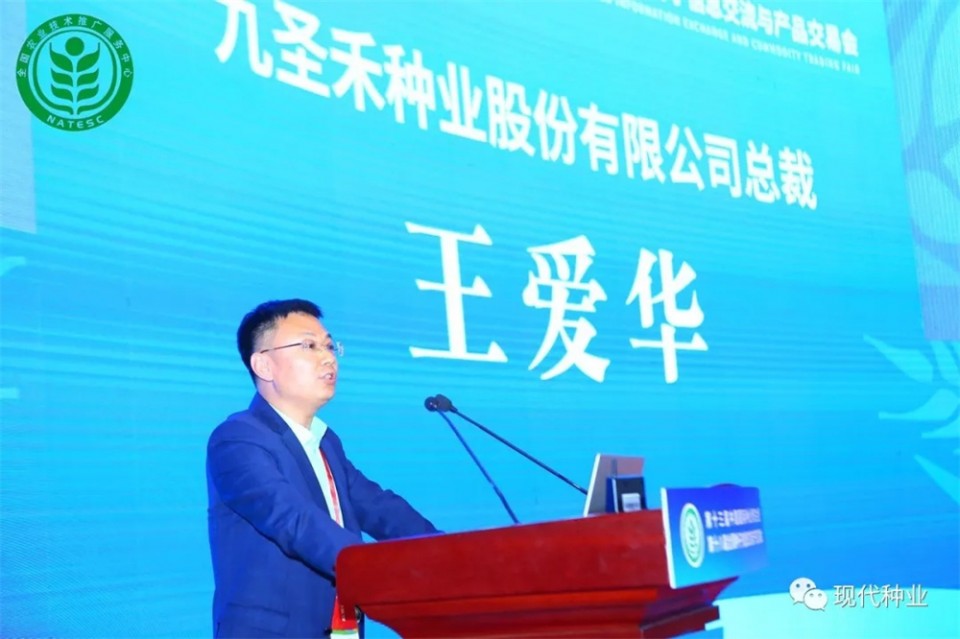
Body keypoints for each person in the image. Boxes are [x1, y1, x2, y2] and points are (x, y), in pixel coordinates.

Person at [206, 299, 439, 638]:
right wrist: (377, 570)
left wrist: (446, 553)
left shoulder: (326, 442)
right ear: (264, 365)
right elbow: (293, 520)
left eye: (330, 346)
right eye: (309, 346)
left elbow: (380, 508)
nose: (328, 358)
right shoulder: (237, 439)